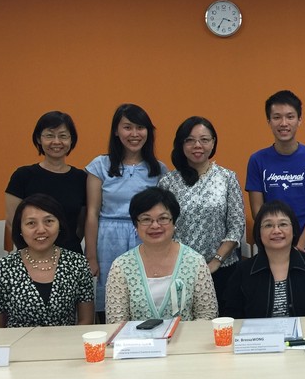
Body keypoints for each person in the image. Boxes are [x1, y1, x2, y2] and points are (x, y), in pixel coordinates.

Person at [85, 104, 167, 321]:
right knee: (112, 298)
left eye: (140, 127)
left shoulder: (159, 170)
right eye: (127, 127)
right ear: (116, 131)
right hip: (108, 238)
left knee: (147, 294)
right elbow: (92, 213)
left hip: (146, 235)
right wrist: (91, 256)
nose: (134, 134)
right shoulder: (99, 166)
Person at [158, 117, 245, 313]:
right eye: (190, 140)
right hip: (179, 269)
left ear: (213, 143)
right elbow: (162, 226)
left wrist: (215, 261)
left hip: (222, 269)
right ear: (181, 144)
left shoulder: (227, 177)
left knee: (223, 327)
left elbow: (236, 225)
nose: (197, 145)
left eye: (204, 140)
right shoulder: (168, 182)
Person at [105, 187, 218, 323]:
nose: (155, 226)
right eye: (146, 219)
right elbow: (115, 321)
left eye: (163, 218)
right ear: (136, 225)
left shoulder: (195, 261)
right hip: (137, 343)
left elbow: (207, 314)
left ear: (174, 222)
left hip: (185, 342)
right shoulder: (121, 266)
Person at [0, 194, 94, 327]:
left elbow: (87, 320)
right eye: (31, 223)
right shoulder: (4, 267)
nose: (41, 230)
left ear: (59, 224)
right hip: (18, 345)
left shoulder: (77, 264)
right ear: (20, 228)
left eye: (49, 221)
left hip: (63, 344)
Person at [245, 90, 305, 253]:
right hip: (271, 246)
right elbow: (258, 210)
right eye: (277, 117)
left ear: (299, 120)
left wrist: (300, 245)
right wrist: (277, 241)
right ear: (268, 121)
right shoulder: (257, 160)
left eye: (290, 117)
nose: (284, 123)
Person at [225, 201, 305, 318]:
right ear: (259, 233)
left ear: (294, 230)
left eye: (283, 224)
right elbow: (231, 315)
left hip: (304, 335)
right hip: (259, 335)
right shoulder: (243, 270)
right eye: (268, 225)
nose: (276, 231)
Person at [5, 111, 87, 254]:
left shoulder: (81, 178)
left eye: (63, 136)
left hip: (71, 257)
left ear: (71, 140)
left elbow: (81, 226)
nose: (56, 142)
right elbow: (13, 223)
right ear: (38, 139)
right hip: (31, 258)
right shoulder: (22, 176)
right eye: (49, 135)